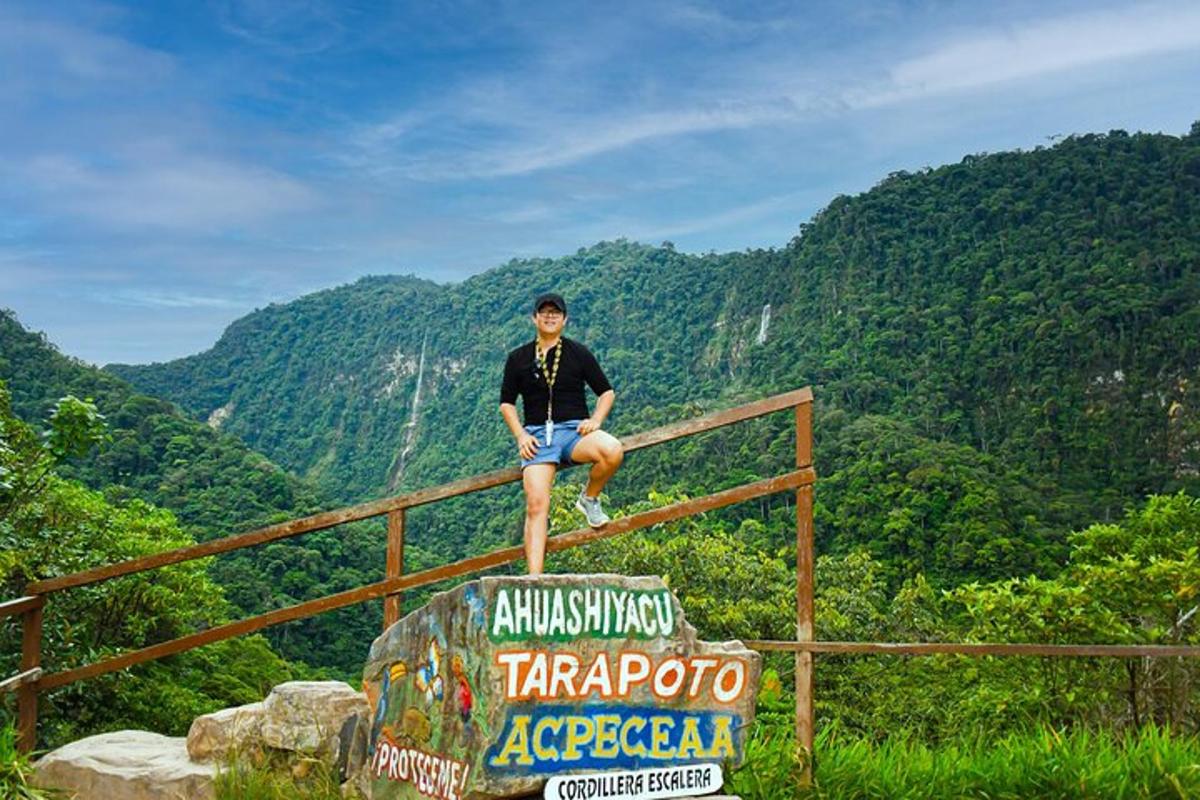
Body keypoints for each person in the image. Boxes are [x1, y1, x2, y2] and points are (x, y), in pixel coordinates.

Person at [499, 292, 624, 576]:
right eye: (544, 312)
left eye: (556, 312)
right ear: (535, 318)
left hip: (574, 431)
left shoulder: (578, 353)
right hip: (537, 437)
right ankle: (535, 579)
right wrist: (520, 436)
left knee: (612, 450)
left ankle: (589, 498)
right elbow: (506, 403)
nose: (550, 316)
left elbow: (606, 391)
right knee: (536, 505)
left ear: (565, 319)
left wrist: (596, 419)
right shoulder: (518, 358)